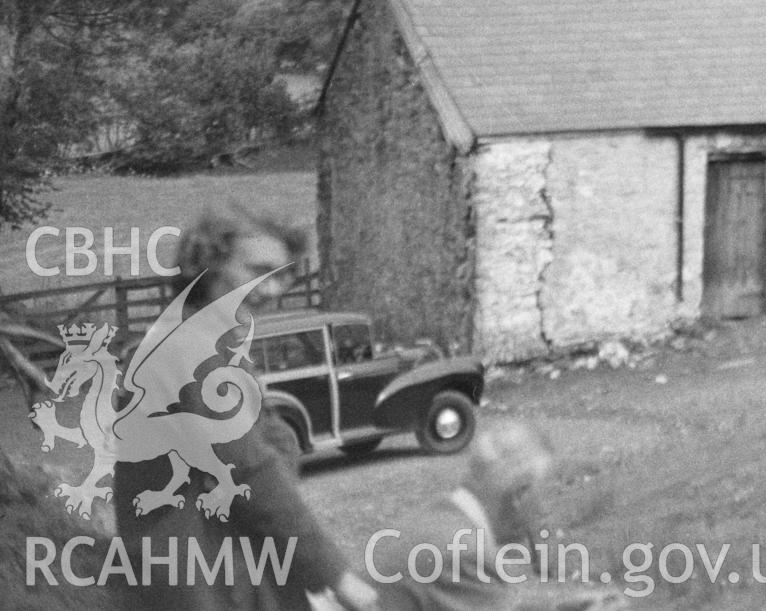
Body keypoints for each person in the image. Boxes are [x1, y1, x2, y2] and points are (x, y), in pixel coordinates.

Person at [111, 201, 379, 611]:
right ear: (208, 267)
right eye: (257, 272)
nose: (273, 290)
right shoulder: (182, 350)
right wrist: (338, 576)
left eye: (282, 276)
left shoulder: (212, 343)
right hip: (202, 583)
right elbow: (251, 472)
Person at [366, 423, 563, 611]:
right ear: (519, 494)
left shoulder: (438, 516)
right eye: (543, 496)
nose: (543, 510)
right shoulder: (467, 554)